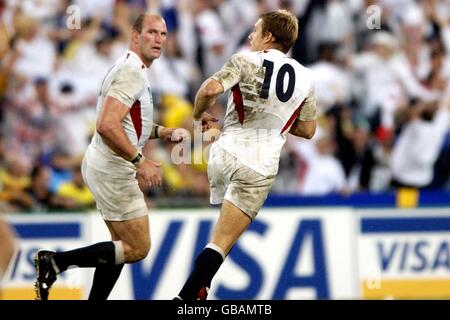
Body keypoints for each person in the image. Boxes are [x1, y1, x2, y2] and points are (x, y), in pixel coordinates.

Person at [34, 13, 189, 300]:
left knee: (119, 246)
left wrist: (162, 131)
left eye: (163, 34)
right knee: (137, 248)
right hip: (113, 169)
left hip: (104, 164)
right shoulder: (131, 73)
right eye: (152, 33)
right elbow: (106, 125)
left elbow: (128, 124)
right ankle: (55, 262)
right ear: (135, 35)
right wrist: (140, 161)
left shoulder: (131, 69)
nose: (158, 40)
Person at [175, 9, 317, 300]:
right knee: (221, 242)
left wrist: (199, 113)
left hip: (225, 152)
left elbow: (208, 89)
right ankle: (186, 297)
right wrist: (278, 118)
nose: (250, 36)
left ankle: (199, 288)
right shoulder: (305, 77)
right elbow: (308, 130)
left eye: (255, 30)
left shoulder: (243, 60)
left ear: (267, 37)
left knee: (216, 237)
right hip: (260, 165)